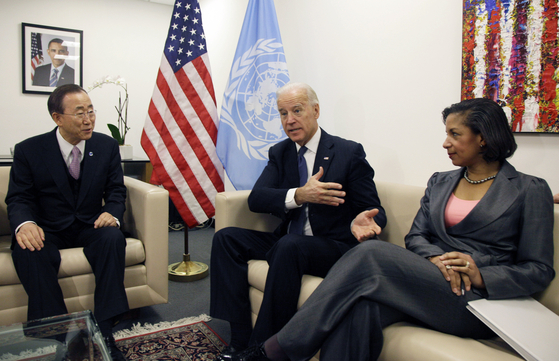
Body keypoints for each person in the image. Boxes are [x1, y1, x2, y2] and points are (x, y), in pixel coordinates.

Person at [228, 98, 556, 361]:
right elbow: (416, 238)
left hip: (473, 300)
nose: (445, 143)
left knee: (370, 252)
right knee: (358, 308)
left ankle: (274, 351)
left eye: (455, 134)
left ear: (483, 138)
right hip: (428, 281)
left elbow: (538, 269)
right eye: (446, 133)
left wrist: (479, 273)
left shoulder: (529, 189)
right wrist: (436, 259)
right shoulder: (440, 182)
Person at [211, 82, 386, 359]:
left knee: (290, 246)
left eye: (296, 110)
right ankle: (239, 338)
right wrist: (299, 195)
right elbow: (257, 199)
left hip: (333, 246)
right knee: (226, 238)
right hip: (289, 243)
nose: (289, 120)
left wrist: (362, 221)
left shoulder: (347, 152)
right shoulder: (281, 153)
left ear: (315, 111)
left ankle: (262, 350)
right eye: (282, 113)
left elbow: (374, 209)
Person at [6, 84, 128, 360]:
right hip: (47, 227)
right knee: (28, 249)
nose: (88, 120)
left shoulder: (106, 145)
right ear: (57, 118)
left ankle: (106, 331)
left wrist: (112, 212)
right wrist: (24, 224)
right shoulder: (29, 150)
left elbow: (116, 190)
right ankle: (61, 338)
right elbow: (18, 198)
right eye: (79, 113)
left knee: (112, 238)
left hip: (90, 225)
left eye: (91, 111)